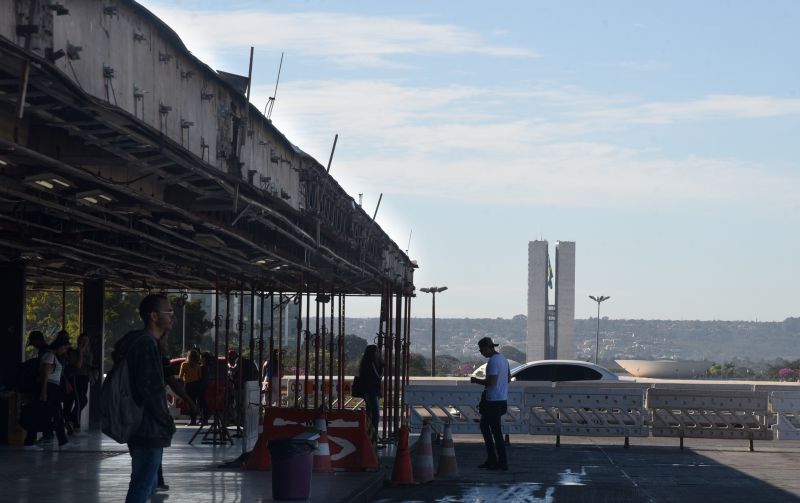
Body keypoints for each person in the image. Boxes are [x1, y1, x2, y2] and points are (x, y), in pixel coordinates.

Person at [112, 293, 176, 503]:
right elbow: (151, 390)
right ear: (154, 316)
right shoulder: (147, 344)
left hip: (136, 423)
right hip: (148, 426)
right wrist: (166, 421)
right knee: (142, 484)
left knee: (145, 484)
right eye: (169, 311)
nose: (173, 316)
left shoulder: (139, 342)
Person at [470, 337, 510, 471]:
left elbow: (490, 382)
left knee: (494, 432)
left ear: (488, 348)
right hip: (502, 399)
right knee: (487, 428)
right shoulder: (504, 359)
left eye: (482, 350)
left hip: (493, 401)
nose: (481, 353)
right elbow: (508, 378)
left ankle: (500, 462)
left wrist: (476, 380)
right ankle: (493, 459)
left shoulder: (492, 362)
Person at [39, 337, 73, 448]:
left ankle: (62, 440)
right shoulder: (49, 356)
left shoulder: (54, 356)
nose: (65, 351)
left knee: (56, 414)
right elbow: (45, 375)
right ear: (59, 346)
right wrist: (44, 391)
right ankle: (61, 440)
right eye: (64, 348)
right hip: (49, 387)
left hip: (53, 388)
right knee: (55, 414)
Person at [358, 344, 384, 445]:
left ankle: (369, 434)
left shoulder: (366, 363)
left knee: (370, 412)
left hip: (369, 391)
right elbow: (379, 376)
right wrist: (382, 365)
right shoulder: (371, 364)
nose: (378, 353)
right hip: (371, 391)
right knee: (376, 414)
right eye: (377, 351)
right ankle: (373, 435)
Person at [71, 333, 93, 433]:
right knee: (79, 401)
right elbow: (78, 365)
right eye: (82, 340)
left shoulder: (90, 353)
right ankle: (76, 424)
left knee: (83, 400)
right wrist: (80, 352)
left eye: (86, 340)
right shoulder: (74, 352)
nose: (84, 342)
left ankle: (71, 418)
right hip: (76, 377)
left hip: (85, 378)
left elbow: (89, 365)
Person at [179, 349, 203, 425]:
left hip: (188, 385)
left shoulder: (184, 364)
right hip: (196, 385)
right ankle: (194, 419)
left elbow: (180, 376)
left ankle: (192, 420)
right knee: (194, 402)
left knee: (190, 402)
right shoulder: (198, 366)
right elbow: (200, 377)